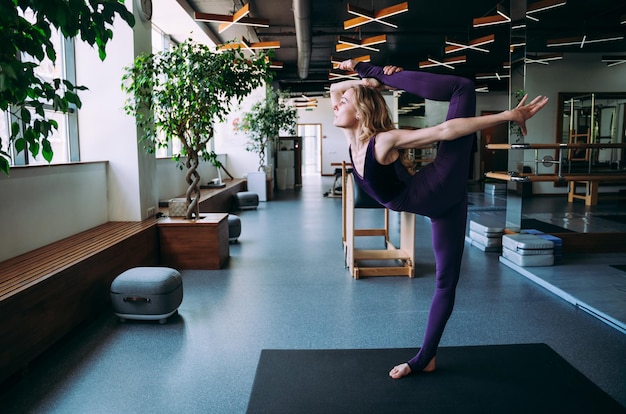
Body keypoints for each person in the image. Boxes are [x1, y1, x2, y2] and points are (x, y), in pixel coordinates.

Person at [330, 59, 548, 379]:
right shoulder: (355, 142)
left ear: (360, 113)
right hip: (440, 202)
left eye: (343, 104)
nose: (335, 104)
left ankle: (423, 357)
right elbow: (337, 88)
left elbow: (444, 131)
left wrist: (506, 116)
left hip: (438, 186)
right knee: (446, 282)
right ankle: (427, 357)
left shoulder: (383, 141)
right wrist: (369, 77)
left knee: (463, 87)